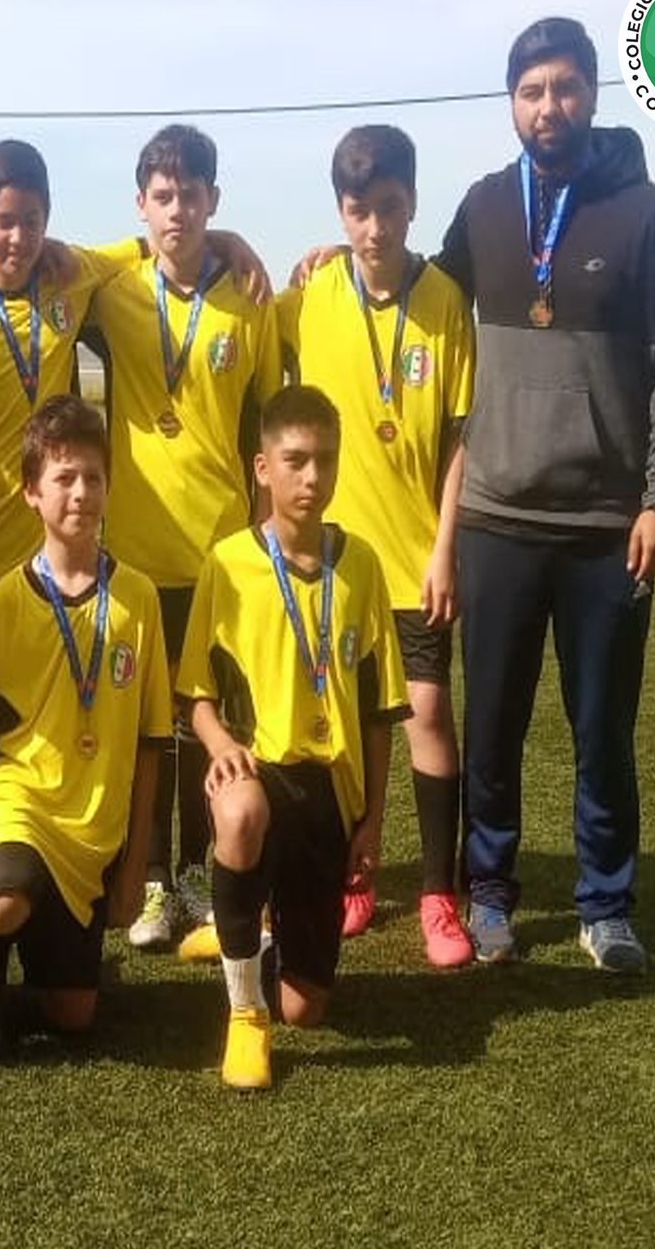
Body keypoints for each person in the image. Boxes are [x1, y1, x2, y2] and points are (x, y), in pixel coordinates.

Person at [435, 18, 655, 971]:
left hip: (606, 526)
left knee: (602, 729)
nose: (547, 107)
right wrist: (326, 264)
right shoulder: (481, 207)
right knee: (492, 724)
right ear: (511, 103)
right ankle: (489, 893)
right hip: (496, 517)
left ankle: (606, 903)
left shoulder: (649, 215)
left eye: (563, 87)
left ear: (593, 93)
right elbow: (421, 309)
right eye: (530, 91)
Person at [77, 124, 282, 960]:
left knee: (210, 725)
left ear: (212, 199)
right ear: (141, 204)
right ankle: (154, 877)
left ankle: (199, 870)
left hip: (221, 556)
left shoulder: (250, 300)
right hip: (132, 554)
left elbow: (264, 427)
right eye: (162, 196)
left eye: (192, 195)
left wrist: (263, 540)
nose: (177, 211)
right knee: (143, 726)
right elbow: (55, 258)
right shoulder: (113, 290)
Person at [277, 124, 475, 968]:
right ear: (340, 211)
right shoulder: (312, 293)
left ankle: (437, 893)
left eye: (390, 208)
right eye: (359, 211)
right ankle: (357, 875)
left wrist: (445, 547)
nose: (375, 227)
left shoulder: (445, 300)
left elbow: (460, 437)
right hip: (337, 564)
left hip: (416, 556)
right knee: (353, 728)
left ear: (413, 204)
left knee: (427, 713)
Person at [180, 385, 408, 1091]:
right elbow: (195, 696)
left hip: (330, 794)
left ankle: (241, 928)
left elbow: (380, 712)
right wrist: (221, 745)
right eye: (296, 460)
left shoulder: (362, 565)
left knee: (307, 1010)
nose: (313, 477)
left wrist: (371, 821)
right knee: (240, 811)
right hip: (259, 771)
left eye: (326, 460)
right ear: (262, 468)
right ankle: (244, 1012)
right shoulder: (227, 563)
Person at [0, 396, 172, 1050]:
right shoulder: (2, 601)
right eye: (64, 478)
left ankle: (39, 936)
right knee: (4, 904)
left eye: (93, 477)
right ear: (32, 492)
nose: (80, 492)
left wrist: (137, 867)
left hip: (94, 826)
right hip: (20, 803)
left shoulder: (137, 598)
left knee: (73, 1016)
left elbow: (152, 743)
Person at [0, 140, 123, 591]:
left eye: (32, 222)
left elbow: (153, 248)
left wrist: (228, 242)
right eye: (4, 222)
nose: (19, 237)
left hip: (57, 546)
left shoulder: (70, 278)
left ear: (47, 220)